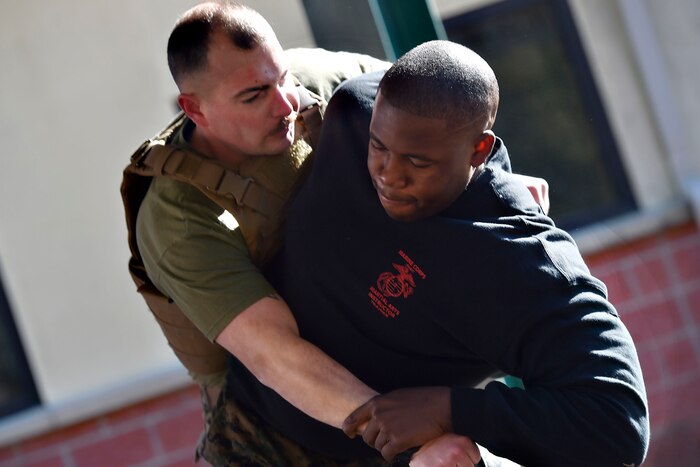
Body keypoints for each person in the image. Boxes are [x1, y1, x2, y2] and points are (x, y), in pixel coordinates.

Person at [123, 2, 528, 465]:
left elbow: (441, 118)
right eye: (254, 95)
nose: (286, 104)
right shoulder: (180, 219)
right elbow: (279, 357)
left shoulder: (326, 82)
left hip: (388, 346)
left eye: (281, 76)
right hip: (276, 429)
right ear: (194, 109)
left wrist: (502, 183)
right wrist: (413, 440)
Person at [222, 41, 650, 466]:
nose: (388, 176)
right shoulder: (354, 109)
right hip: (244, 421)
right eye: (380, 148)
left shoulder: (513, 257)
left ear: (478, 150)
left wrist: (449, 409)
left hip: (373, 458)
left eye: (417, 162)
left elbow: (619, 423)